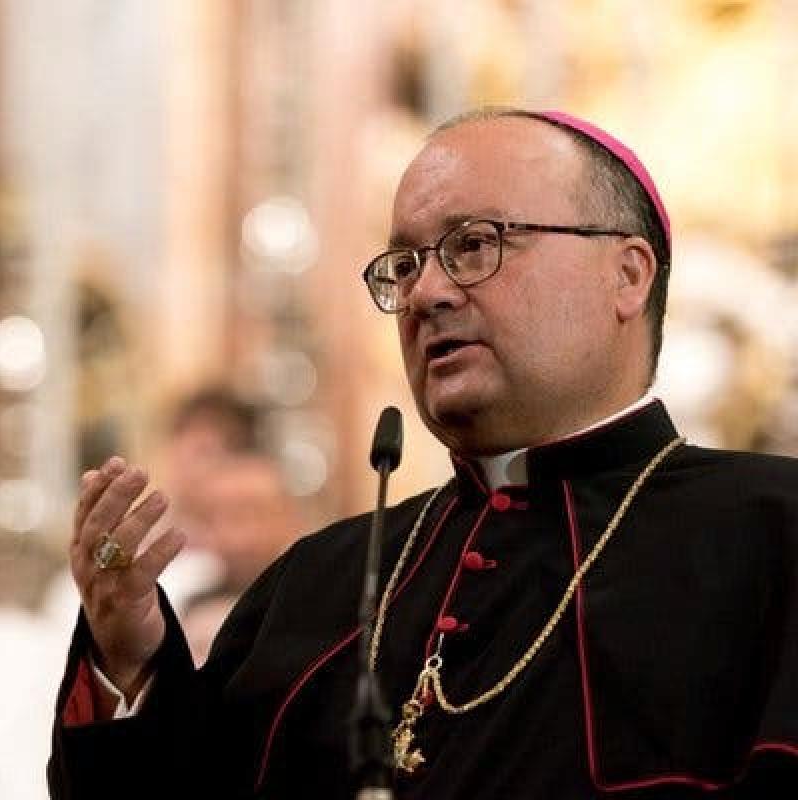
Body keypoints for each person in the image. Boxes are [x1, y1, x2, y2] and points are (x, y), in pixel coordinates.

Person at [48, 109, 798, 799]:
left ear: (626, 275)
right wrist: (129, 659)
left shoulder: (774, 535)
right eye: (405, 264)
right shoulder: (314, 584)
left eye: (474, 245)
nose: (425, 292)